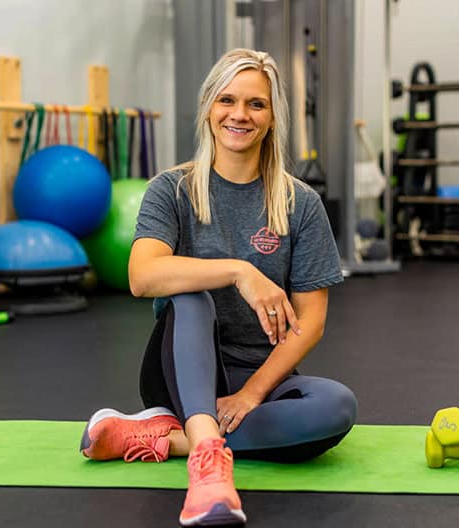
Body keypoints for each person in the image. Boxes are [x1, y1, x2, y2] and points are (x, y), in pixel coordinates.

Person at [80, 48, 358, 527]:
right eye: (227, 100)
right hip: (180, 370)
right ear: (209, 107)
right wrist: (239, 271)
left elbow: (310, 321)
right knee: (189, 290)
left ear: (272, 118)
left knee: (335, 408)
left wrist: (251, 393)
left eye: (256, 104)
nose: (240, 114)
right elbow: (142, 276)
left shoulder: (301, 203)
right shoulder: (172, 189)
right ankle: (207, 463)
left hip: (259, 379)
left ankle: (163, 439)